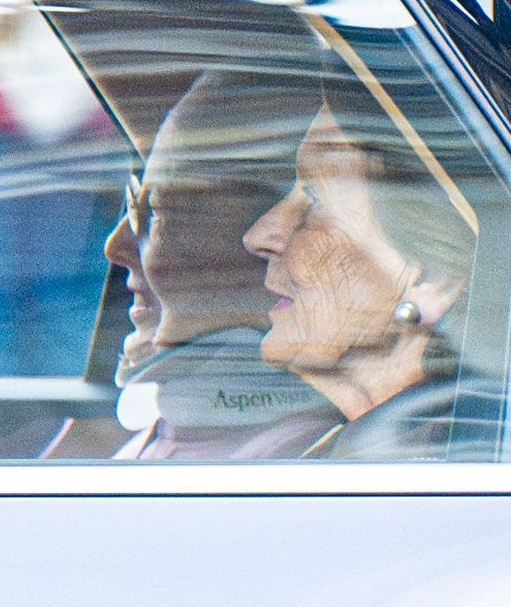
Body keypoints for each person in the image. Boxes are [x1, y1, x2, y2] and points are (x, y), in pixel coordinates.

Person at [241, 48, 496, 459]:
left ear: (434, 280)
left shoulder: (436, 480)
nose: (258, 236)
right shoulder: (348, 465)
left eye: (313, 197)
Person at [103, 70, 342, 459]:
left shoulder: (287, 469)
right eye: (133, 204)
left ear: (272, 244)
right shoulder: (169, 438)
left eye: (159, 213)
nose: (117, 246)